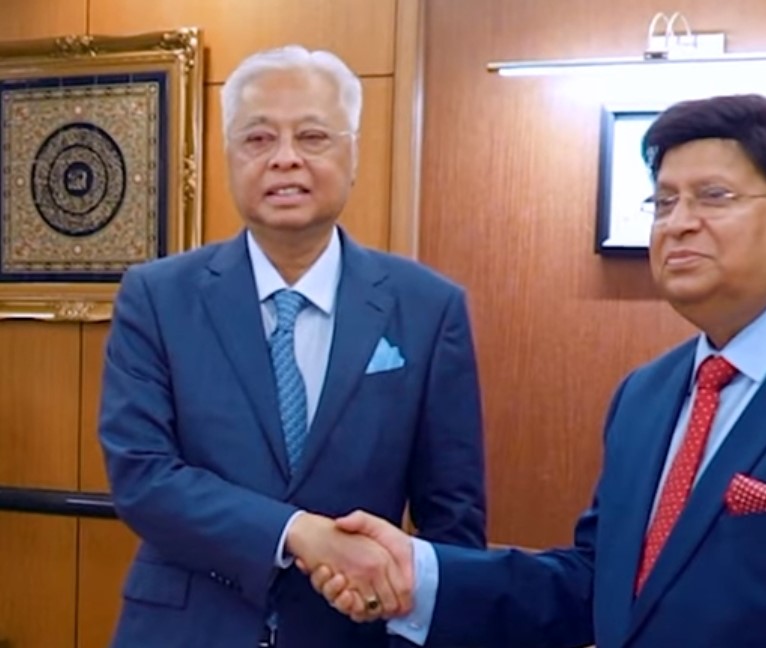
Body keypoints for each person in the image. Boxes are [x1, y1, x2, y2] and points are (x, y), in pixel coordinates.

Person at [309, 93, 766, 647]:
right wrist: (418, 573)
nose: (678, 223)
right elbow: (597, 585)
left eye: (713, 197)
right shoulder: (647, 394)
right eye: (664, 202)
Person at [97, 45, 486, 648]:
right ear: (229, 156)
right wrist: (300, 532)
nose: (284, 159)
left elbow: (453, 517)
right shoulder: (157, 297)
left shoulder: (428, 308)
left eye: (312, 136)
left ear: (353, 154)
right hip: (186, 629)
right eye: (258, 139)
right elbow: (142, 477)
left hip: (352, 631)